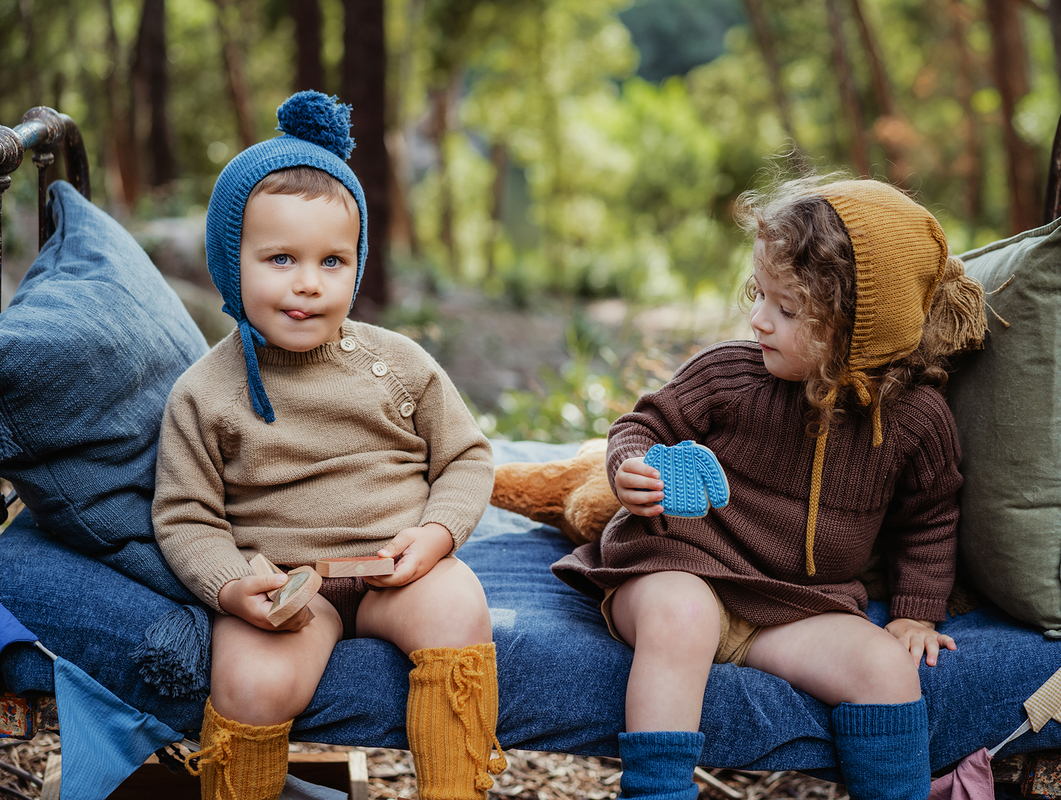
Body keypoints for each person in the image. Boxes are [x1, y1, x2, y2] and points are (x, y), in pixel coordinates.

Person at [553, 175, 989, 800]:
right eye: (761, 295)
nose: (758, 320)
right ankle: (658, 791)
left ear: (860, 330)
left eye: (787, 310)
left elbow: (929, 519)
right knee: (683, 617)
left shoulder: (916, 422)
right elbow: (645, 423)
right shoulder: (730, 375)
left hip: (793, 607)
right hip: (679, 570)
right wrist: (631, 470)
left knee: (885, 667)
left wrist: (917, 613)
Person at [153, 91, 505, 800]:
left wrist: (436, 535)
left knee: (458, 610)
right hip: (288, 584)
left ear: (358, 262)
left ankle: (453, 791)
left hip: (396, 566)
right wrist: (230, 585)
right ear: (231, 260)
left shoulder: (396, 361)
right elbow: (185, 515)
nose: (308, 285)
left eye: (333, 262)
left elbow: (465, 457)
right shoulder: (205, 391)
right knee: (251, 683)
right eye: (280, 259)